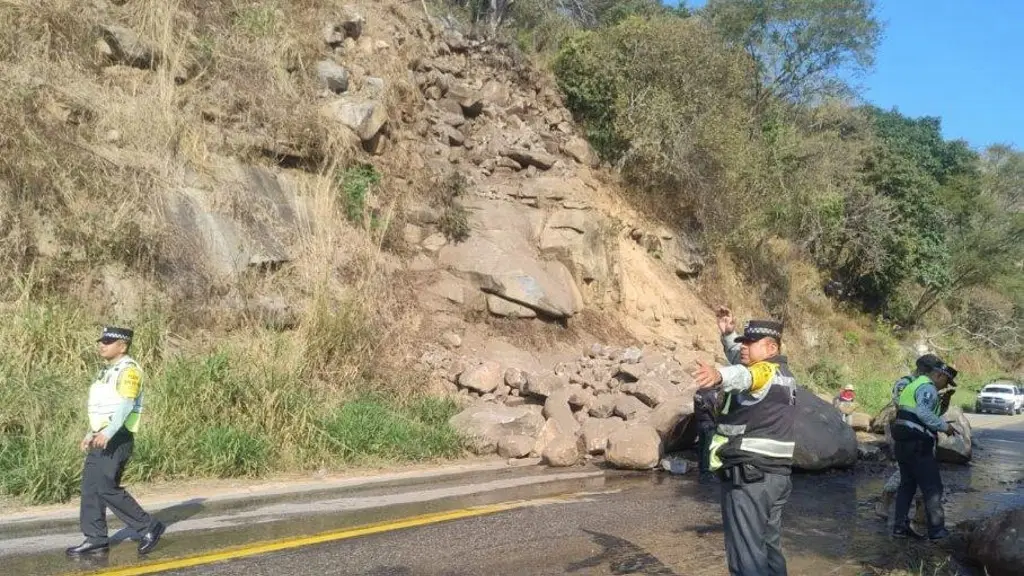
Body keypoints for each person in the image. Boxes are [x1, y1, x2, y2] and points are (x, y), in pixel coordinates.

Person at [694, 307, 797, 576]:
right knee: (768, 548)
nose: (744, 348)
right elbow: (743, 365)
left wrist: (719, 375)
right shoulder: (783, 375)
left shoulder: (762, 372)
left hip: (749, 478)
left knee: (746, 557)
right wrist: (729, 335)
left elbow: (745, 375)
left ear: (771, 347)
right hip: (776, 477)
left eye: (750, 344)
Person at [66, 326, 165, 557]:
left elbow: (126, 405)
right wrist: (90, 433)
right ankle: (95, 539)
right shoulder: (106, 371)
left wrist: (107, 433)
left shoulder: (129, 371)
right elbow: (103, 409)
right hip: (101, 436)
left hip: (116, 437)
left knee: (105, 488)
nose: (102, 344)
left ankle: (148, 526)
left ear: (123, 346)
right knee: (91, 489)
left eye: (109, 341)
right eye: (102, 340)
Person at [890, 355, 960, 540]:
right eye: (946, 380)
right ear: (938, 375)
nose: (946, 385)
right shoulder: (927, 387)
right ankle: (937, 531)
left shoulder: (912, 385)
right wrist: (946, 427)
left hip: (903, 443)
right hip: (918, 445)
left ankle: (899, 527)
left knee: (907, 486)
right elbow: (923, 412)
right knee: (933, 488)